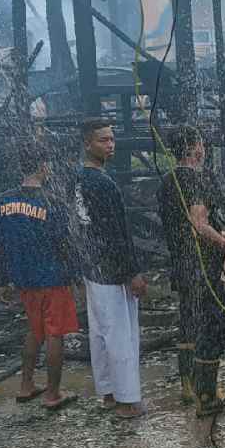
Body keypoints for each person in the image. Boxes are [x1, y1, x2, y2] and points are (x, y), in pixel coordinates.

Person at [158, 125, 225, 416]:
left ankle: (188, 385)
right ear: (196, 148)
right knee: (212, 322)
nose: (203, 149)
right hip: (201, 264)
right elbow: (198, 223)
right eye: (201, 144)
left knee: (188, 319)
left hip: (181, 261)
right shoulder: (194, 179)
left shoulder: (167, 180)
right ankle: (207, 393)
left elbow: (183, 225)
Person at [0, 143, 80, 411]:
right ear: (43, 166)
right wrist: (75, 277)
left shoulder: (3, 201)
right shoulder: (53, 202)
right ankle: (53, 393)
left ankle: (26, 385)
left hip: (23, 278)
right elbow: (66, 244)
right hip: (52, 277)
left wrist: (3, 280)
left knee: (34, 330)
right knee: (55, 334)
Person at [74, 119, 147, 419]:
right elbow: (116, 233)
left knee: (100, 333)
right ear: (88, 144)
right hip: (111, 269)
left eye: (112, 139)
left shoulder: (79, 178)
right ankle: (128, 401)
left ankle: (107, 392)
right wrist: (132, 272)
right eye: (103, 140)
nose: (111, 145)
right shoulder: (103, 184)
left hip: (93, 267)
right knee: (121, 335)